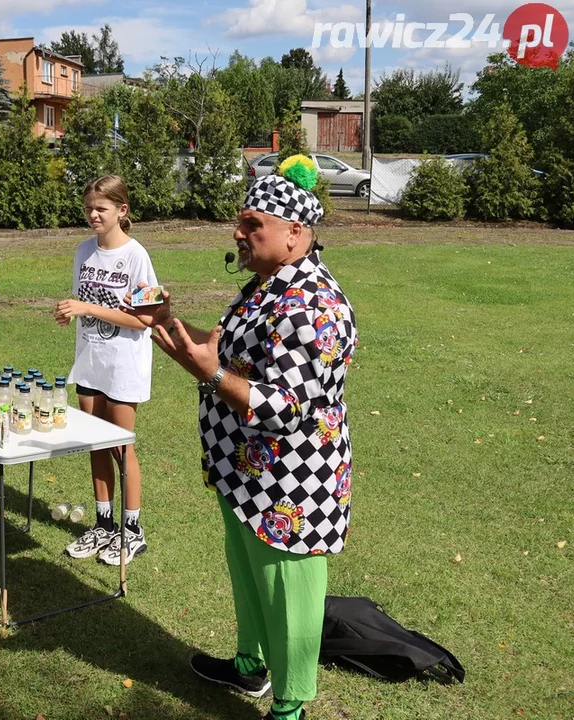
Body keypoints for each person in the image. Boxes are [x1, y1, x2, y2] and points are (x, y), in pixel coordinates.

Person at [130, 156, 358, 720]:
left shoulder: (315, 306)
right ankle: (251, 667)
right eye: (241, 221)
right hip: (246, 472)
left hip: (292, 485)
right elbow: (231, 354)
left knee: (289, 593)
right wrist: (176, 330)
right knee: (250, 576)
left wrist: (207, 371)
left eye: (253, 224)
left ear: (294, 233)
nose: (238, 232)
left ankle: (291, 701)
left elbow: (281, 406)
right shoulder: (266, 284)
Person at [53, 175, 158, 566]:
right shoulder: (83, 251)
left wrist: (88, 309)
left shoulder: (136, 256)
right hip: (90, 363)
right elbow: (84, 303)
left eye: (102, 208)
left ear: (122, 211)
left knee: (119, 446)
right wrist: (70, 312)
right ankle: (103, 524)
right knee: (94, 443)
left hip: (123, 367)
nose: (93, 215)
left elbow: (145, 319)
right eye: (89, 208)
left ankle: (132, 532)